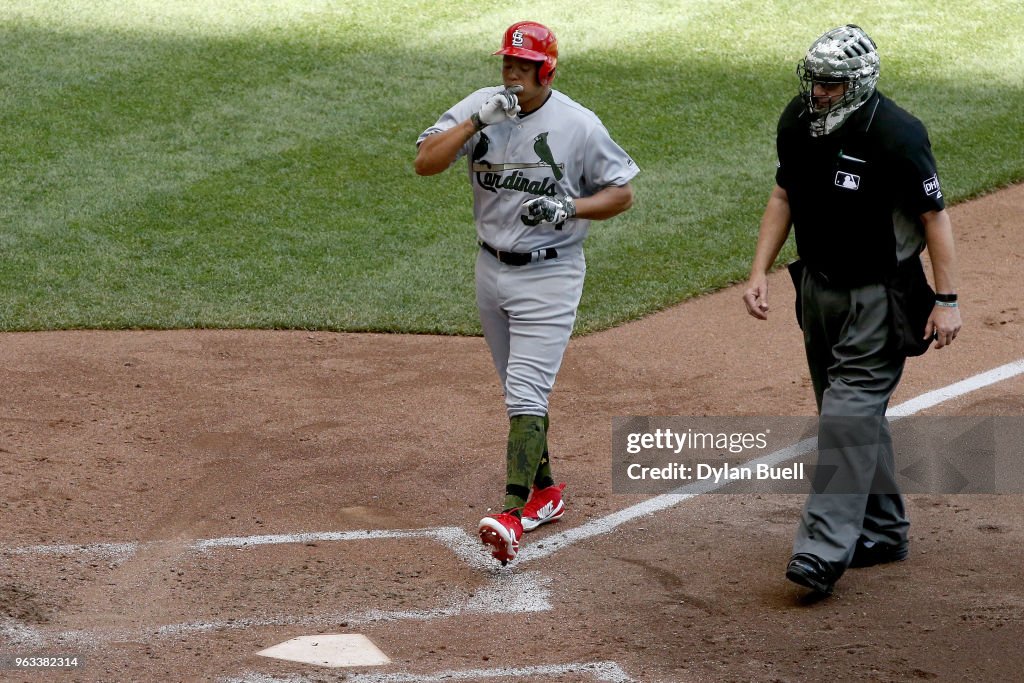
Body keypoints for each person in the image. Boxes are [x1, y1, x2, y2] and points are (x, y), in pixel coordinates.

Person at [742, 25, 962, 596]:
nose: (818, 93)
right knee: (851, 417)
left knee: (846, 416)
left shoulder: (897, 133)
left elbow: (935, 216)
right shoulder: (797, 120)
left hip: (881, 295)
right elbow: (783, 195)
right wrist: (759, 269)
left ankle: (820, 550)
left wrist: (947, 300)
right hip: (816, 289)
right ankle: (884, 530)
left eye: (832, 85)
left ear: (859, 84)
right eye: (815, 82)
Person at [415, 21, 639, 565]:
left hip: (550, 274)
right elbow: (425, 163)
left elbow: (621, 193)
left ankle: (513, 513)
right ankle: (546, 494)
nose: (511, 75)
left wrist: (570, 207)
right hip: (490, 269)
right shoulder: (482, 106)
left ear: (547, 70)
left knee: (526, 393)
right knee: (516, 389)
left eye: (522, 67)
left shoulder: (578, 125)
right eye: (507, 64)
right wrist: (474, 121)